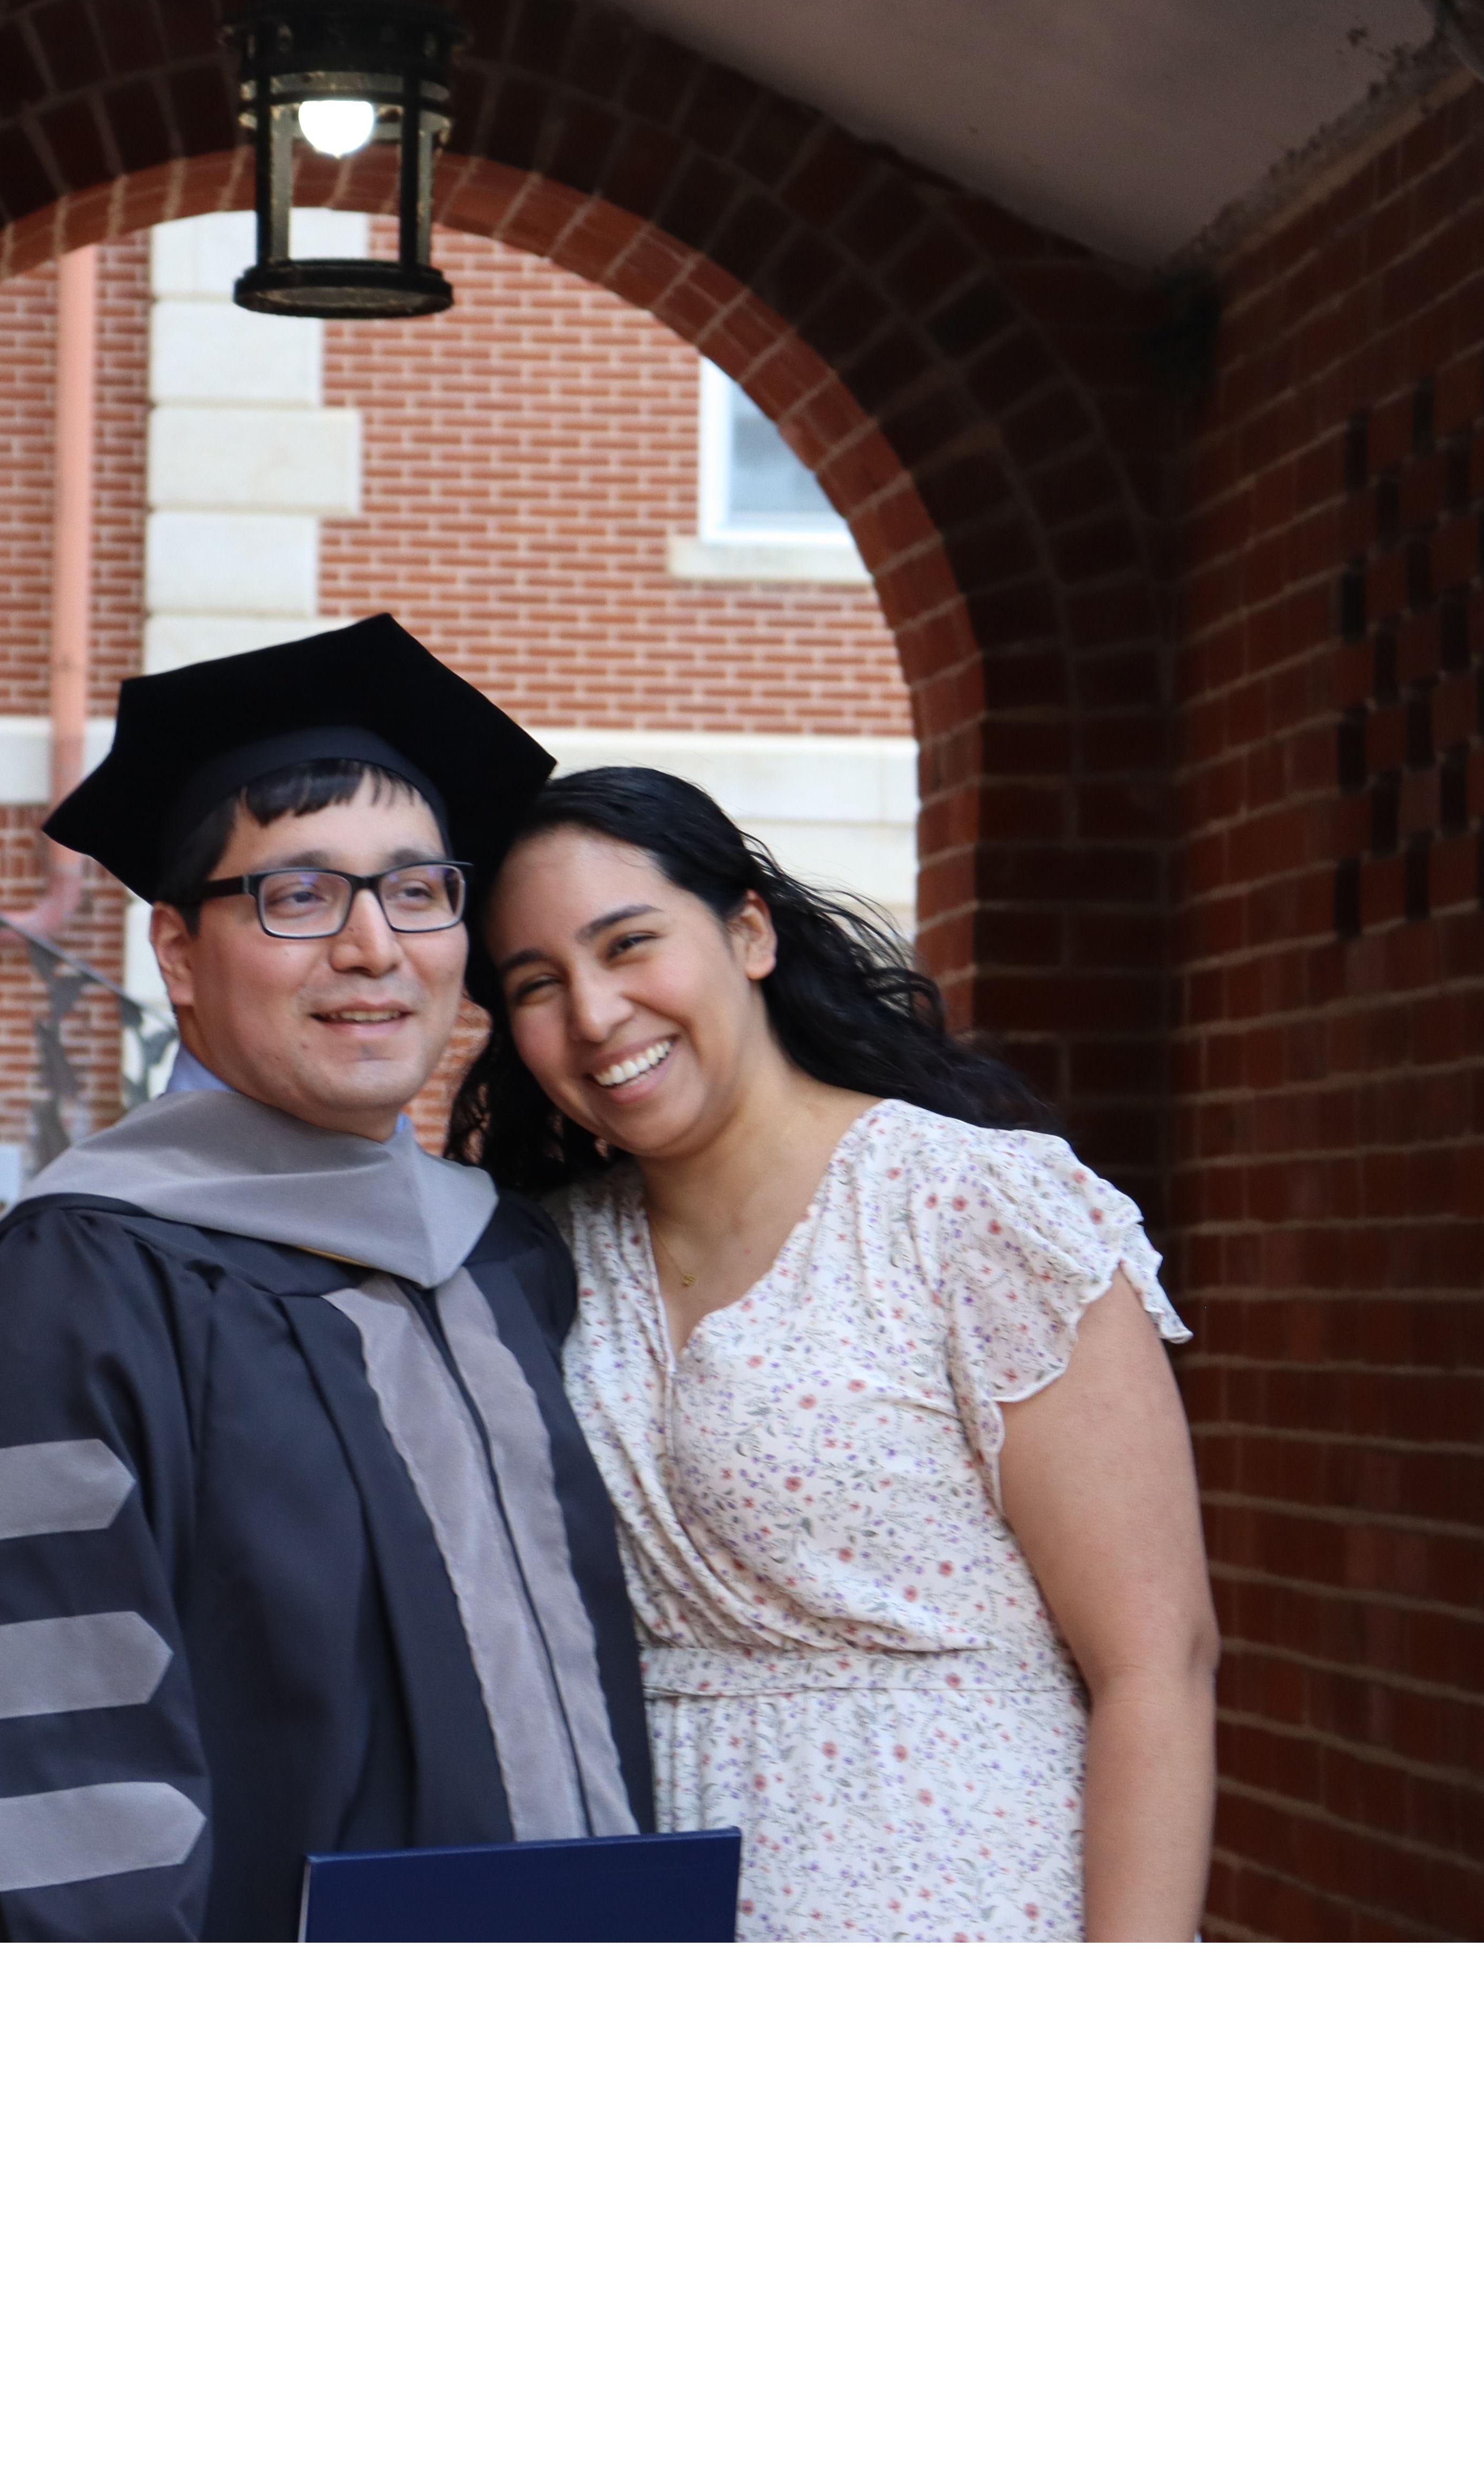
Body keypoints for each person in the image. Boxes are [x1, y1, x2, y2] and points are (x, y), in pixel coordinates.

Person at [0, 616, 653, 1942]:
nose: (374, 947)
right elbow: (37, 1795)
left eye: (416, 891)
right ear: (178, 953)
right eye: (299, 895)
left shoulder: (509, 1262)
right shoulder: (77, 1291)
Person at [452, 764, 1217, 1942]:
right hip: (652, 1911)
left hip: (972, 1903)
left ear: (749, 933)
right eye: (538, 984)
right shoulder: (534, 1260)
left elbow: (1157, 1664)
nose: (595, 1015)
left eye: (630, 944)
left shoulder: (968, 1211)